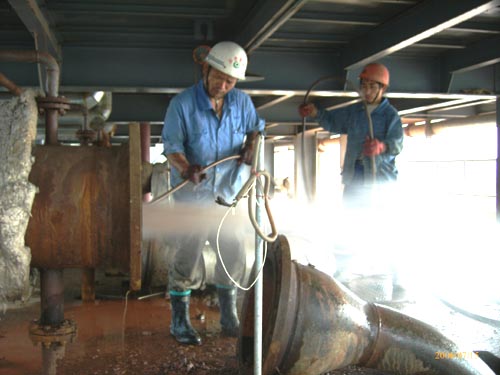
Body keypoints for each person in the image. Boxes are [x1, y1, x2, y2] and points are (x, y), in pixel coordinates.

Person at [162, 41, 265, 345]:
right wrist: (185, 169)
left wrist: (250, 146)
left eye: (230, 81)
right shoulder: (181, 105)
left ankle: (229, 317)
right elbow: (172, 147)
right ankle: (179, 321)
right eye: (218, 77)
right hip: (194, 198)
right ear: (205, 68)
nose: (223, 85)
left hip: (229, 198)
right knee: (186, 259)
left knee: (233, 256)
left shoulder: (242, 103)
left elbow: (257, 129)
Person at [298, 62, 403, 208]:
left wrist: (381, 146)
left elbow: (397, 144)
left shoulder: (390, 115)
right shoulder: (355, 111)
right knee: (351, 220)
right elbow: (333, 122)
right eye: (364, 86)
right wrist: (314, 112)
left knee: (375, 222)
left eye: (372, 87)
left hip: (378, 180)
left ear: (383, 88)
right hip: (354, 175)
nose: (367, 91)